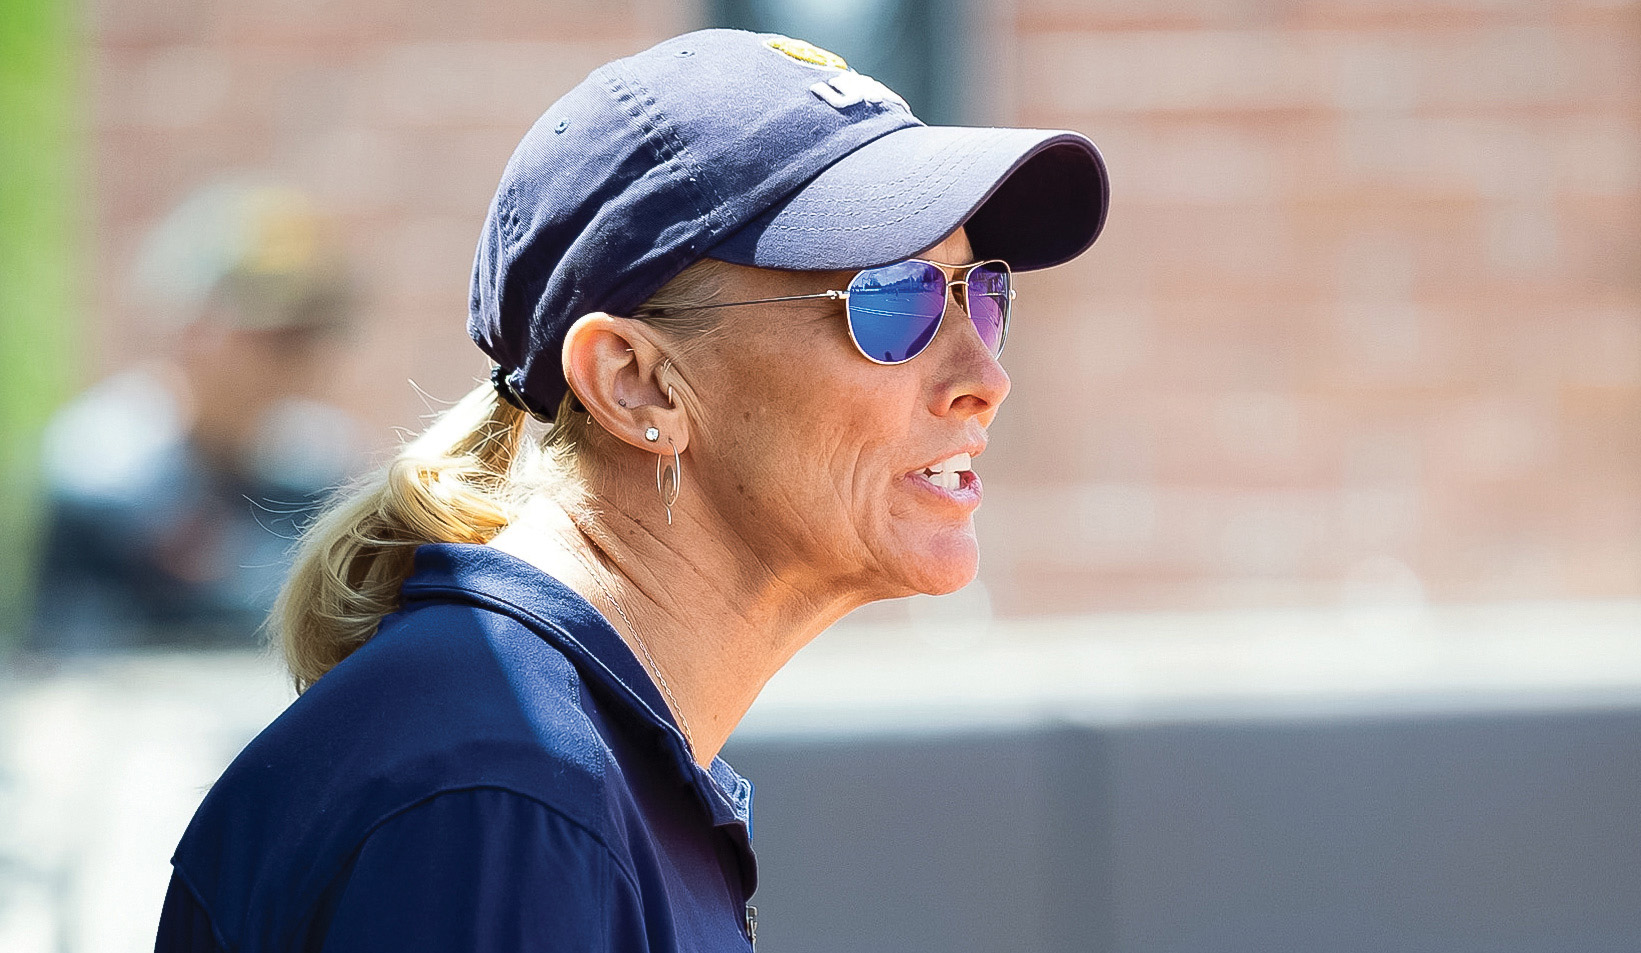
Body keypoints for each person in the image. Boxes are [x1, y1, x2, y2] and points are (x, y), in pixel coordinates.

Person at [154, 29, 1107, 952]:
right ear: (635, 382)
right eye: (892, 299)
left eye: (983, 294)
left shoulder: (540, 761)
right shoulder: (506, 797)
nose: (984, 372)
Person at [32, 181, 361, 653]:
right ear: (192, 329)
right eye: (277, 338)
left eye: (313, 336)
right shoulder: (103, 472)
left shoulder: (321, 471)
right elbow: (65, 663)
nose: (299, 363)